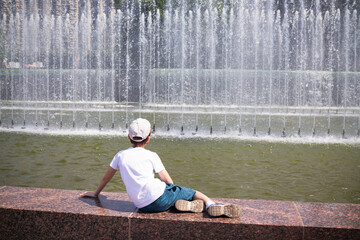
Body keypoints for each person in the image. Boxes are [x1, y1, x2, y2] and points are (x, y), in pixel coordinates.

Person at [80, 118, 241, 218]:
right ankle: (210, 204)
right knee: (189, 192)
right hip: (159, 197)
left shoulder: (120, 155)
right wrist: (177, 190)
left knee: (167, 196)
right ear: (149, 138)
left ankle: (183, 205)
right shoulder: (151, 155)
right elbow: (167, 180)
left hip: (142, 205)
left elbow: (106, 178)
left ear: (128, 137)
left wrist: (95, 193)